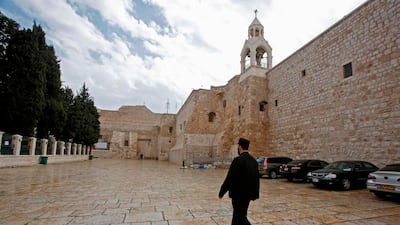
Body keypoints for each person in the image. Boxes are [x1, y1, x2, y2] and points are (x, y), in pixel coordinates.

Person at [218, 138, 260, 225]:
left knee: (240, 217)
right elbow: (256, 179)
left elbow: (230, 178)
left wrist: (222, 192)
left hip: (238, 196)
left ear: (239, 147)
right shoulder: (254, 161)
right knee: (239, 216)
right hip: (248, 195)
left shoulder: (238, 160)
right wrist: (255, 194)